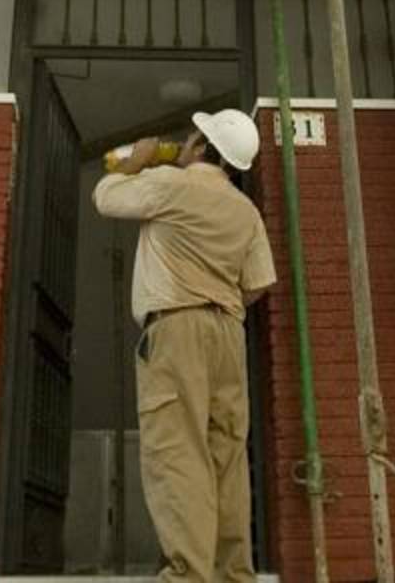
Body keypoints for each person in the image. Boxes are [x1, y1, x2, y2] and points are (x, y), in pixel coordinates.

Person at [93, 108, 277, 583]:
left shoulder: (170, 185)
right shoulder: (246, 210)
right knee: (227, 458)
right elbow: (258, 284)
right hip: (228, 333)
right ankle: (233, 574)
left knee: (178, 454)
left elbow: (105, 196)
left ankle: (189, 576)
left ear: (199, 145)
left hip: (177, 327)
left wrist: (139, 159)